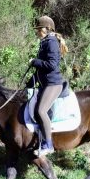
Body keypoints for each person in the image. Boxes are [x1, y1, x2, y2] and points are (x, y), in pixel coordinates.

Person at [26, 15, 68, 156]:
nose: (37, 31)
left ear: (47, 28)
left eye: (39, 29)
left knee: (41, 111)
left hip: (53, 84)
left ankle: (48, 145)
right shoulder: (45, 42)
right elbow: (41, 69)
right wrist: (29, 84)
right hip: (45, 83)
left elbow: (51, 65)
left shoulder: (51, 42)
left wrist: (35, 61)